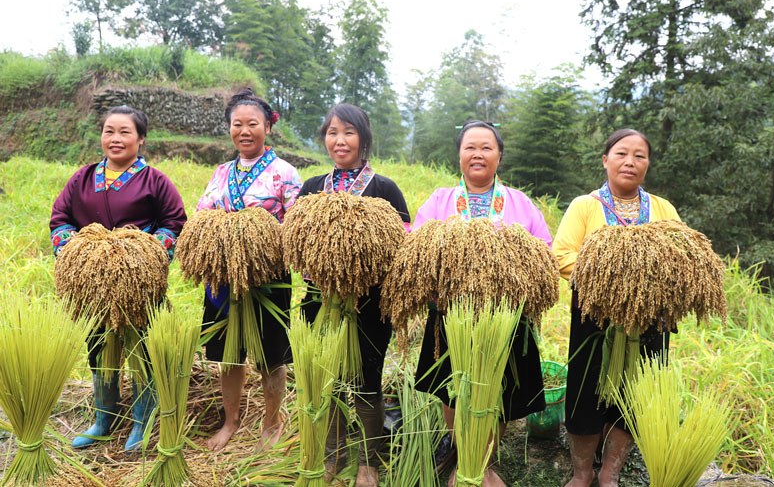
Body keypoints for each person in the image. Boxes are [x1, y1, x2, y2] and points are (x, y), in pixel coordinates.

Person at [413, 120, 551, 487]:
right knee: (453, 387)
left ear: (499, 156)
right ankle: (462, 455)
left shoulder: (520, 203)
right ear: (459, 154)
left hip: (506, 319)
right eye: (470, 147)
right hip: (451, 315)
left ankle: (485, 463)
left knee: (500, 392)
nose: (478, 154)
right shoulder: (439, 200)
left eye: (486, 147)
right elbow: (418, 251)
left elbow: (544, 254)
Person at [50, 105, 187, 451]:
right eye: (109, 131)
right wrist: (76, 249)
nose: (115, 139)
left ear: (141, 139)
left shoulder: (155, 180)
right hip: (93, 283)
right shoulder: (83, 177)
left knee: (141, 347)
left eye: (125, 132)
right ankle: (104, 418)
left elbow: (174, 222)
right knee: (98, 347)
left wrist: (146, 252)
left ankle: (142, 418)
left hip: (136, 284)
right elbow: (60, 218)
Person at [552, 128, 680, 487]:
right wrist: (616, 280)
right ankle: (582, 473)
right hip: (594, 320)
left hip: (649, 322)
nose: (630, 161)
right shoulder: (585, 206)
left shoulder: (662, 209)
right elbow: (562, 256)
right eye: (622, 153)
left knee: (634, 396)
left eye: (639, 156)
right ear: (605, 160)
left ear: (648, 165)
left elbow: (684, 261)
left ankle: (610, 472)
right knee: (586, 392)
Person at [298, 103, 410, 487]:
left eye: (348, 132)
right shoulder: (312, 187)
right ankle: (331, 454)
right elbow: (295, 246)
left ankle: (368, 461)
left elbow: (402, 247)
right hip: (319, 300)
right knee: (324, 378)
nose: (339, 140)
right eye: (332, 132)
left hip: (369, 303)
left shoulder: (384, 189)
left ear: (363, 138)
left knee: (367, 380)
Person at [195, 88, 302, 453]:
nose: (244, 131)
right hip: (224, 279)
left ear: (267, 128)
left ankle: (272, 424)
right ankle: (231, 421)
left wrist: (259, 242)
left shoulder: (284, 173)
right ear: (229, 129)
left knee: (272, 356)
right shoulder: (221, 171)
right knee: (229, 354)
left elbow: (296, 225)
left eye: (252, 124)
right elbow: (202, 214)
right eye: (237, 124)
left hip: (268, 280)